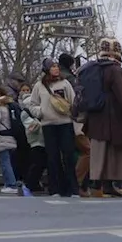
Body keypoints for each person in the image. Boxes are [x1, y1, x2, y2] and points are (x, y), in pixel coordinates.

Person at [82, 39, 122, 198]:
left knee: (98, 153)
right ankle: (104, 184)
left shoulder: (91, 69)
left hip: (94, 117)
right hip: (113, 118)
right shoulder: (116, 71)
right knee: (113, 152)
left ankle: (100, 184)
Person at [27, 58, 77, 198]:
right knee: (52, 158)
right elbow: (32, 104)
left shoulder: (65, 83)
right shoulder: (39, 86)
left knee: (68, 155)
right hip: (48, 124)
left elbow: (73, 101)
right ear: (47, 69)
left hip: (65, 122)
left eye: (57, 66)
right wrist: (40, 112)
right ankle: (55, 189)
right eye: (53, 67)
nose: (56, 69)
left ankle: (72, 188)